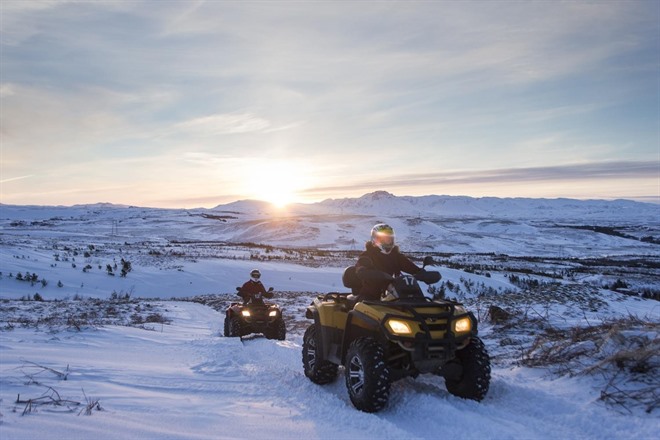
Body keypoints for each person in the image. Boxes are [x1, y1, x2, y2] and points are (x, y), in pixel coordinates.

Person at [354, 223, 422, 301]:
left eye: (389, 239)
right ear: (375, 239)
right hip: (370, 294)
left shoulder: (395, 255)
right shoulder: (367, 255)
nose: (387, 241)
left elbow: (408, 265)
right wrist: (362, 270)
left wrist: (421, 273)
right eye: (383, 239)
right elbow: (360, 267)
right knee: (365, 308)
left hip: (393, 292)